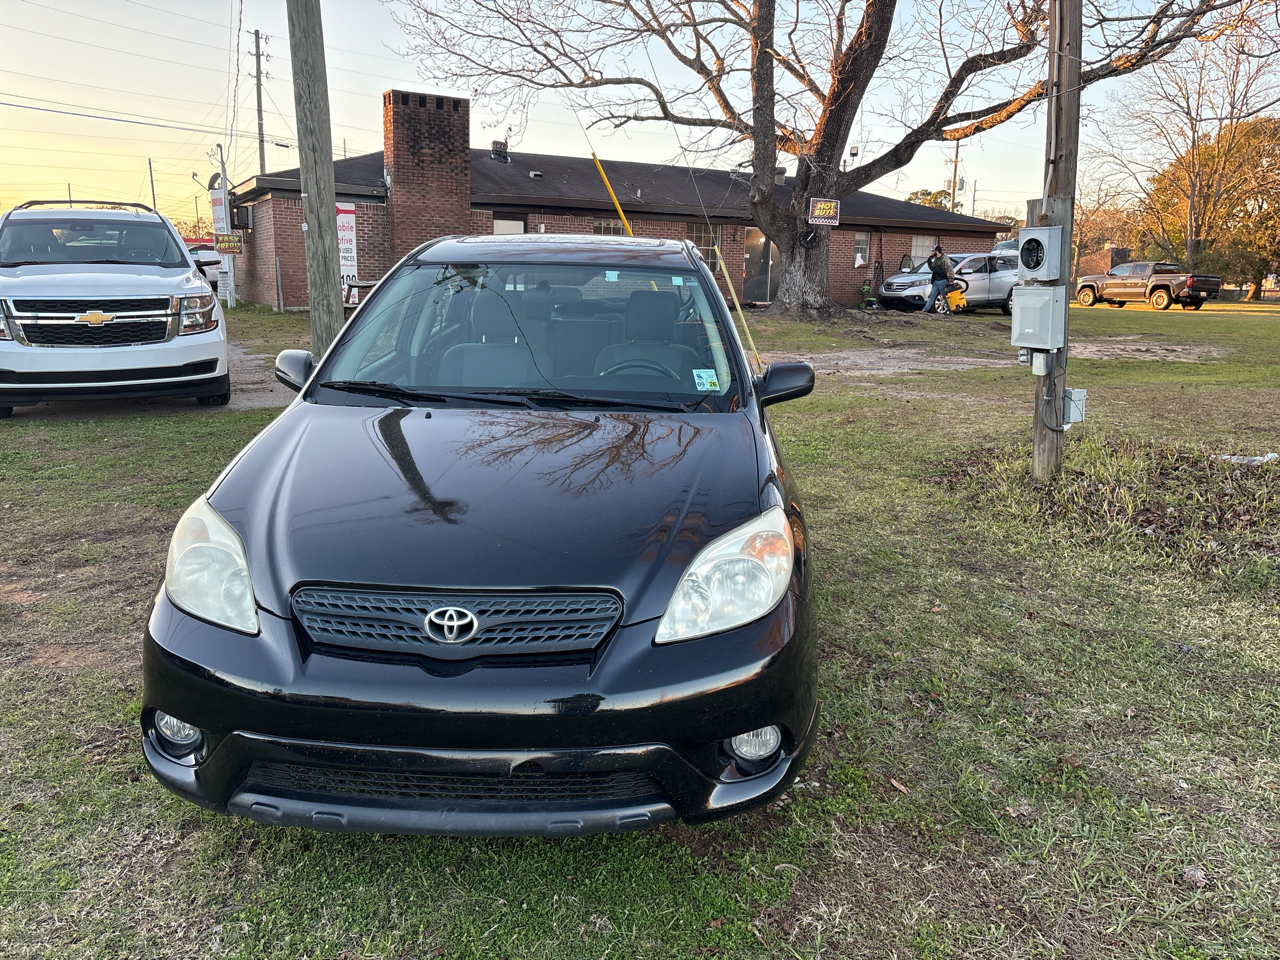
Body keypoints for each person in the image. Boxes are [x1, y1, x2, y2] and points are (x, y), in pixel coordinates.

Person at [921, 246, 955, 314]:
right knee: (931, 296)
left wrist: (951, 280)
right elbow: (932, 268)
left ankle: (949, 310)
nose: (932, 253)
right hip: (936, 281)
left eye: (933, 251)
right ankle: (925, 310)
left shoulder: (944, 259)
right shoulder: (935, 259)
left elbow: (949, 269)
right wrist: (929, 260)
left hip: (943, 281)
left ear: (937, 251)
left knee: (945, 296)